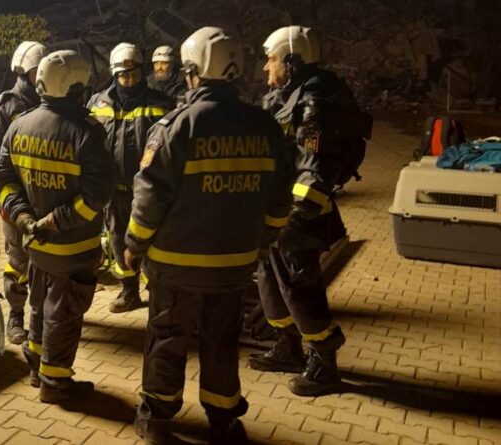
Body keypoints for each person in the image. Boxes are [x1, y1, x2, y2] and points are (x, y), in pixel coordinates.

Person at [125, 27, 294, 444]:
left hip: (175, 267)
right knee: (222, 344)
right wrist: (263, 243)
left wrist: (133, 245)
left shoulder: (177, 126)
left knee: (166, 342)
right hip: (233, 267)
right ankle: (224, 421)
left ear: (193, 72)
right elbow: (280, 198)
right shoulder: (265, 126)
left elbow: (149, 197)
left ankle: (157, 421)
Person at [249, 25, 371, 397]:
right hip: (275, 211)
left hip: (298, 217)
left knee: (300, 288)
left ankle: (324, 361)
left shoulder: (315, 103)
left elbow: (314, 170)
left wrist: (294, 219)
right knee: (271, 283)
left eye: (271, 60)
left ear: (292, 61)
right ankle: (287, 347)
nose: (265, 68)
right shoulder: (286, 95)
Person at [0, 50, 115, 404]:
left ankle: (36, 368)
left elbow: (2, 183)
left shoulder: (20, 125)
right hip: (72, 249)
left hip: (34, 245)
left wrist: (25, 219)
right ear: (76, 87)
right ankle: (56, 384)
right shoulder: (88, 133)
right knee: (64, 314)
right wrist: (54, 222)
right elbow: (97, 196)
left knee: (39, 306)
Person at [88, 42, 174, 313]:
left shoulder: (161, 103)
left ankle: (157, 291)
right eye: (123, 75)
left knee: (153, 241)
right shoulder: (97, 104)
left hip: (149, 192)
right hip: (113, 191)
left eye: (134, 74)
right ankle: (129, 292)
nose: (129, 79)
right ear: (114, 74)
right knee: (118, 240)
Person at [0, 41, 48, 345]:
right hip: (15, 201)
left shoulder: (52, 103)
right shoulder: (4, 108)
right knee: (18, 262)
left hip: (46, 199)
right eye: (37, 70)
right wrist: (6, 201)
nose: (42, 74)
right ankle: (16, 315)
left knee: (47, 261)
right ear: (24, 72)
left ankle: (43, 314)